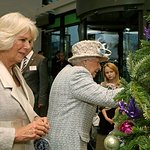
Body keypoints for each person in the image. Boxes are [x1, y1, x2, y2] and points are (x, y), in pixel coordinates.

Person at [47, 40, 123, 150]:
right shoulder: (78, 74)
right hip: (68, 141)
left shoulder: (67, 71)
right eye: (97, 62)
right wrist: (134, 89)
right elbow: (107, 98)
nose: (99, 68)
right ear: (85, 61)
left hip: (61, 138)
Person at [0, 12, 50, 150]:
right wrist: (15, 135)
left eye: (30, 41)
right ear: (5, 38)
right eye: (22, 40)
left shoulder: (15, 71)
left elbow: (22, 107)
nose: (28, 47)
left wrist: (36, 120)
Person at [96, 62, 121, 150]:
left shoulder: (122, 85)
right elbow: (100, 104)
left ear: (115, 72)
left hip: (118, 118)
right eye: (107, 72)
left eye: (111, 71)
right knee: (101, 143)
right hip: (104, 118)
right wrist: (106, 118)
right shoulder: (102, 85)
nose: (109, 74)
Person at [20, 49, 49, 117]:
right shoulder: (19, 59)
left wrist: (42, 100)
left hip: (35, 97)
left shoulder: (40, 59)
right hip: (22, 96)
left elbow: (43, 82)